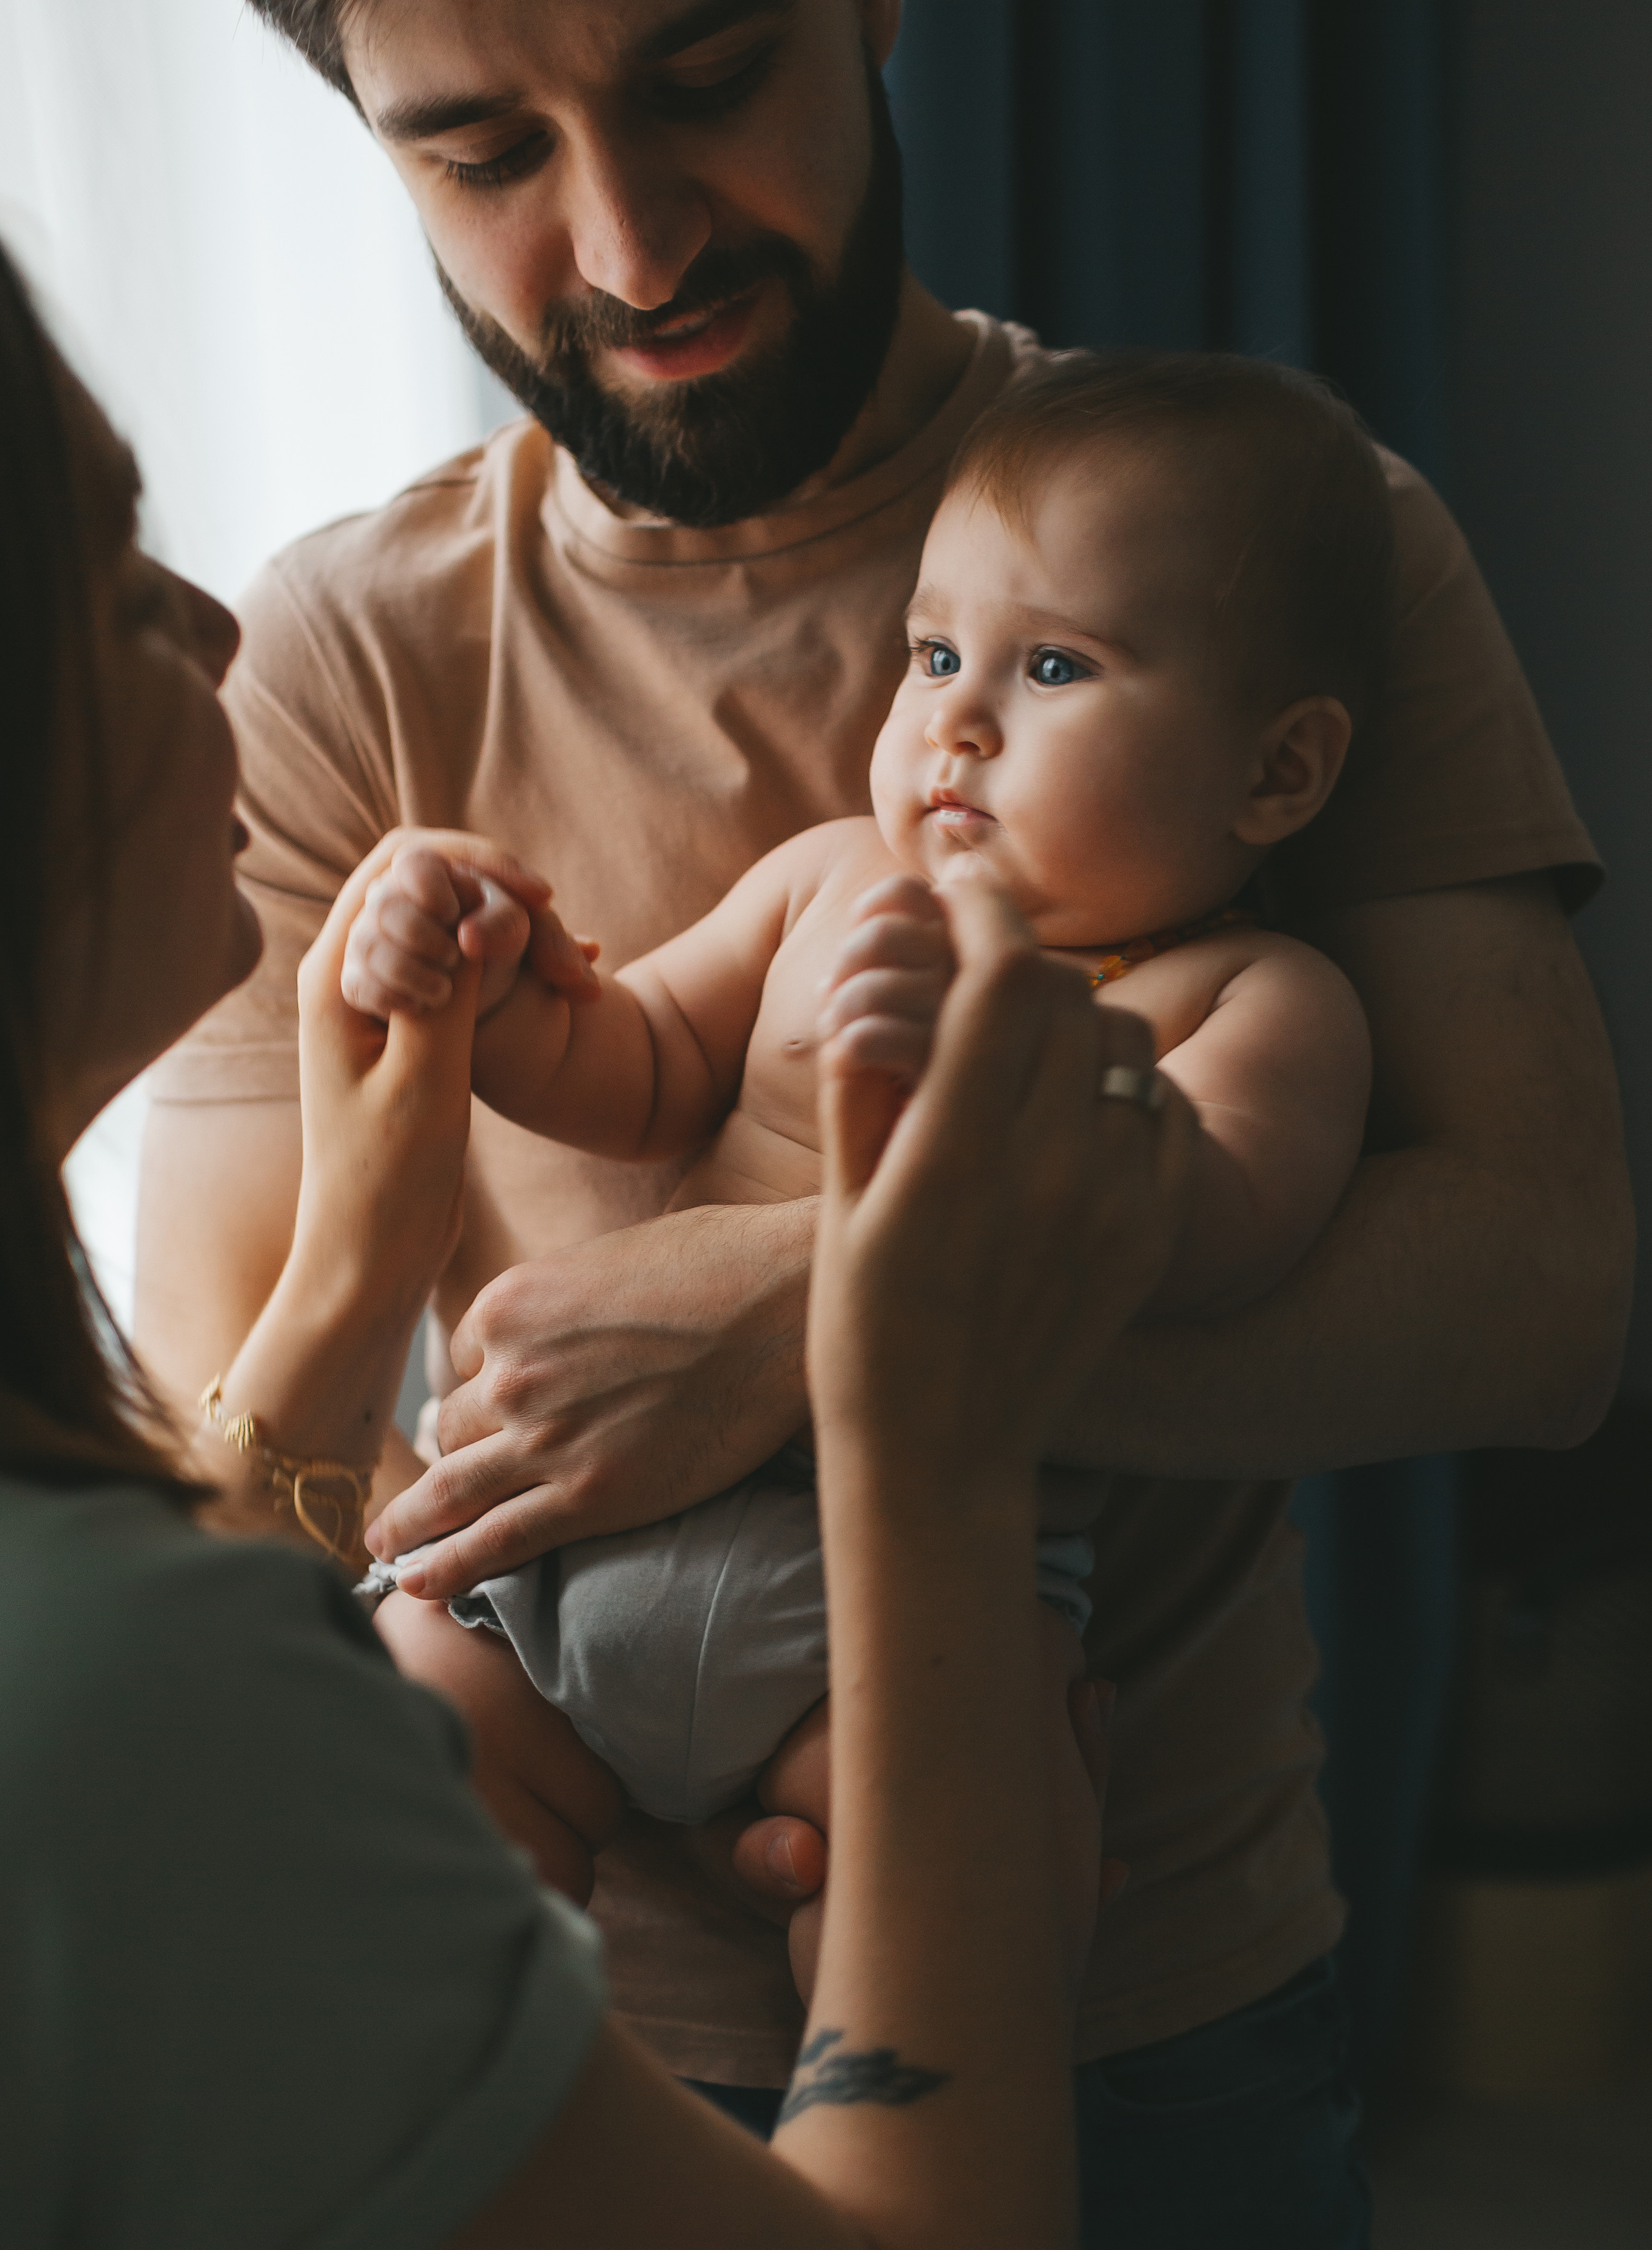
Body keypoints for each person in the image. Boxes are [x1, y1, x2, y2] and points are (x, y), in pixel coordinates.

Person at [137, 0, 1629, 2250]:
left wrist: (801, 1345)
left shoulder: (1260, 547)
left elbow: (1541, 1297)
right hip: (546, 2043)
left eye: (706, 75)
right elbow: (258, 1456)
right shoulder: (336, 663)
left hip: (1141, 2021)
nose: (629, 249)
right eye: (483, 152)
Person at [0, 236, 1187, 2250]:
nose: (215, 625)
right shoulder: (131, 1699)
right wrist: (915, 1441)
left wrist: (360, 1270)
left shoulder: (126, 1641)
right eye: (115, 586)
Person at [341, 350, 1382, 2000]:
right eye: (933, 652)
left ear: (1273, 773)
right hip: (570, 1550)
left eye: (1050, 665)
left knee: (985, 1894)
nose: (955, 720)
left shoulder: (1251, 999)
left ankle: (909, 2172)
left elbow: (1219, 1232)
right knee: (404, 1768)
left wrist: (1031, 1087)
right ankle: (495, 2129)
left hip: (904, 1596)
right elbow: (635, 1069)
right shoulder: (830, 877)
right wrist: (493, 981)